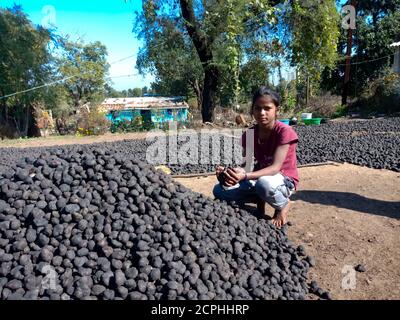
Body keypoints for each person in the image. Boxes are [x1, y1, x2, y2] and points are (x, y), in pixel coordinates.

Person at [213, 87, 299, 228]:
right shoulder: (250, 134)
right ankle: (258, 207)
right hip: (260, 179)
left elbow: (275, 168)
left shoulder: (284, 132)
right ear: (252, 110)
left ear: (276, 109)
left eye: (267, 108)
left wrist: (245, 176)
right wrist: (230, 174)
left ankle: (283, 205)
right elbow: (246, 166)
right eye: (258, 108)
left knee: (264, 184)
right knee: (219, 190)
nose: (262, 113)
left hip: (283, 180)